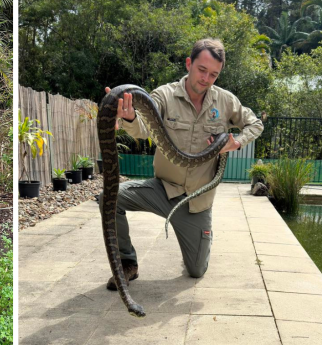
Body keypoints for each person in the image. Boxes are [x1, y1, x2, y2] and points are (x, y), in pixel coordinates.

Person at [101, 38, 263, 290]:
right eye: (202, 70)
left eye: (213, 74)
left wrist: (237, 143)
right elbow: (144, 128)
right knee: (108, 198)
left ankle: (199, 237)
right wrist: (130, 116)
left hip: (197, 203)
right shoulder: (163, 95)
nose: (206, 78)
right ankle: (127, 263)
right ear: (189, 63)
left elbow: (256, 124)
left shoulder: (226, 101)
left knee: (196, 271)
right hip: (163, 190)